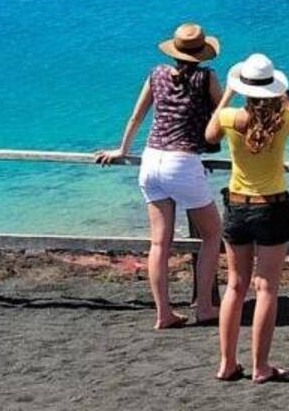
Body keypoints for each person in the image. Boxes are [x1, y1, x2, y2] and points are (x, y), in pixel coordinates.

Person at [95, 21, 226, 330]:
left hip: (151, 160)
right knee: (212, 235)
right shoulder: (206, 77)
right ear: (202, 53)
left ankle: (163, 313)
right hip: (182, 161)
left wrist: (122, 150)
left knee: (159, 244)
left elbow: (137, 116)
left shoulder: (156, 74)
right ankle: (205, 306)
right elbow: (222, 116)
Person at [206, 53, 289, 383]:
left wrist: (227, 94)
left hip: (237, 206)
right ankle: (260, 366)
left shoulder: (228, 117)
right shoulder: (284, 119)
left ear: (244, 89)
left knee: (235, 286)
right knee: (266, 288)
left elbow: (209, 135)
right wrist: (288, 97)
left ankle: (226, 362)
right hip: (273, 206)